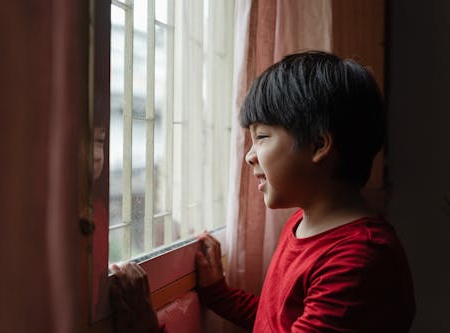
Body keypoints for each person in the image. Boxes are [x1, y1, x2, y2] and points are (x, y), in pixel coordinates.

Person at [109, 51, 416, 332]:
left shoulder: (357, 261)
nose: (249, 155)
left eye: (263, 137)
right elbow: (278, 321)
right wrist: (219, 294)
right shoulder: (302, 222)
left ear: (319, 145)